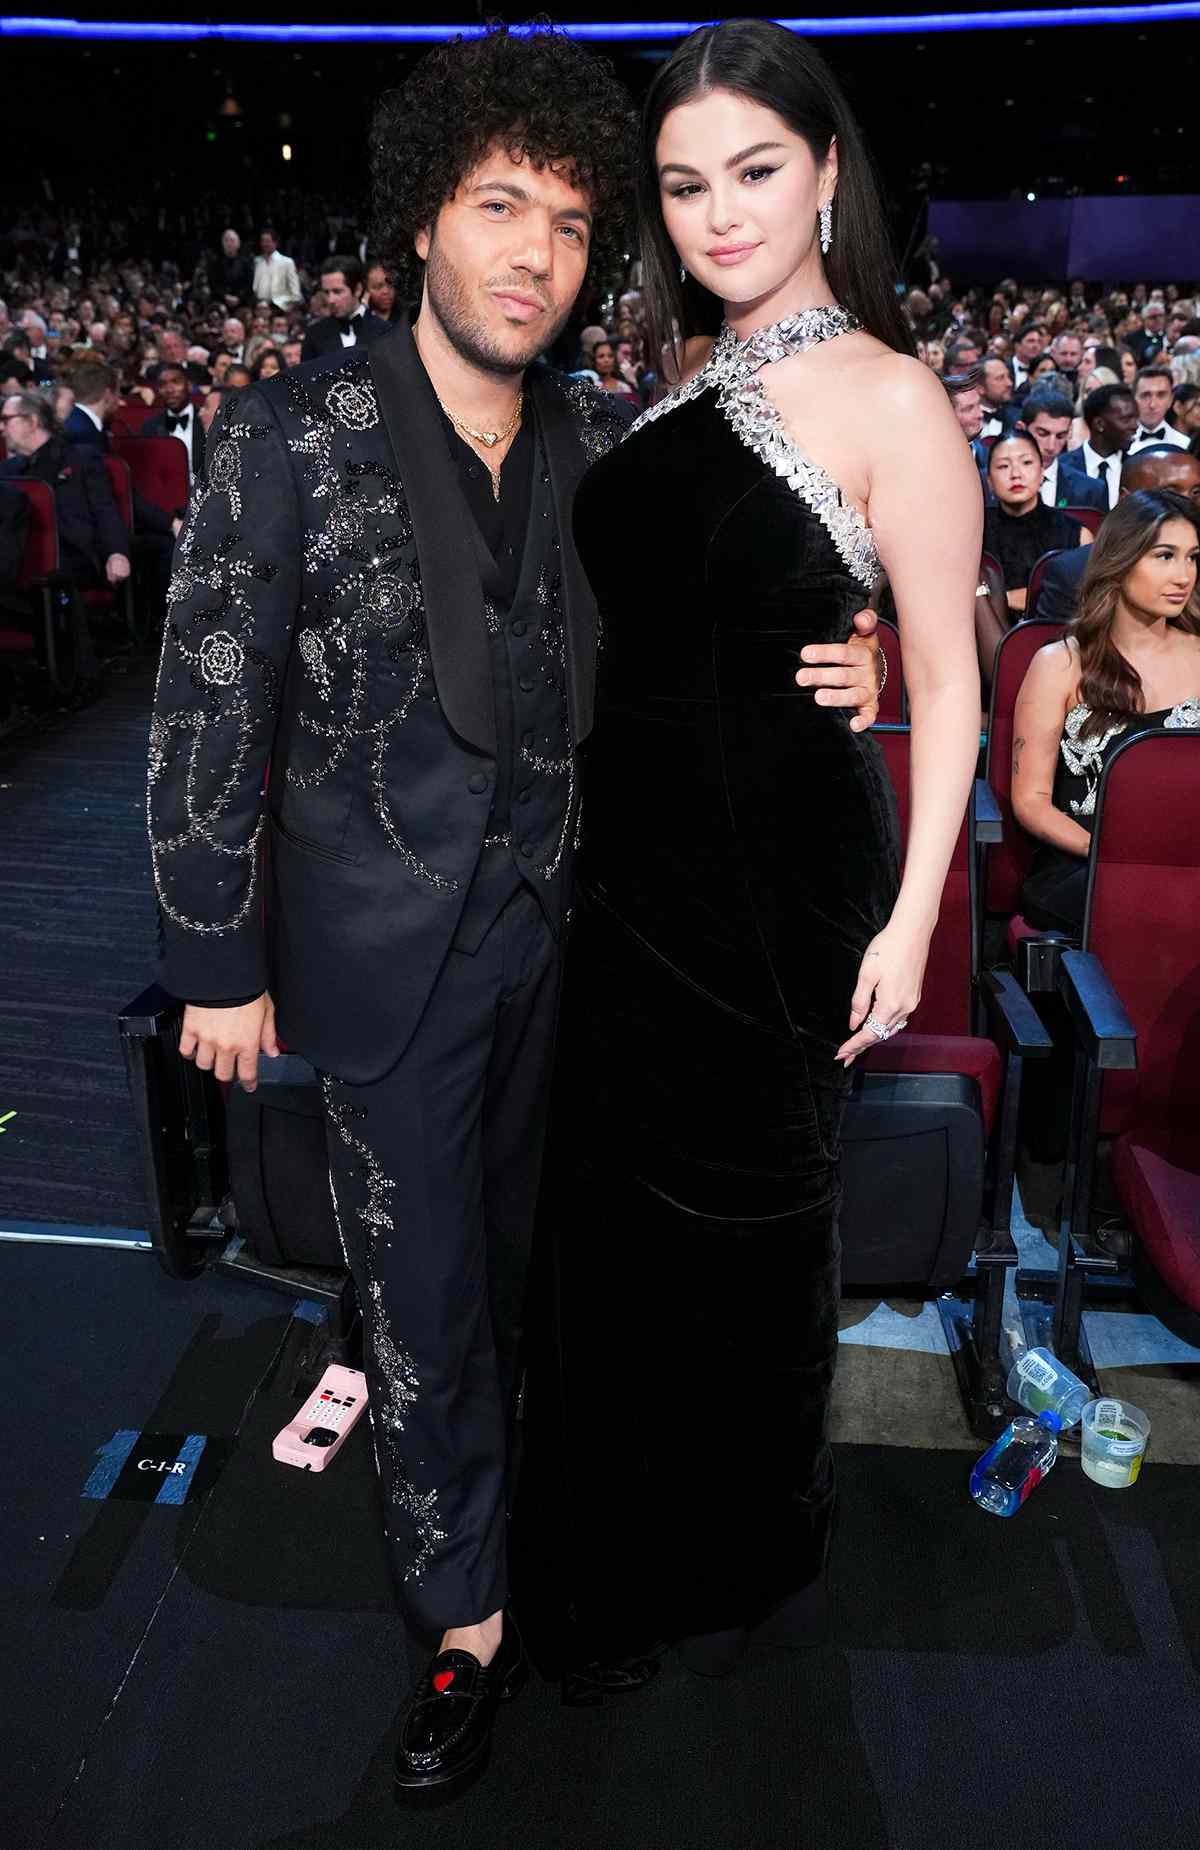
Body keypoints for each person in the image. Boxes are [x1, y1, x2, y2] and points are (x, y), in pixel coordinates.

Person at [143, 22, 890, 1803]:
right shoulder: (285, 430)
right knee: (422, 1307)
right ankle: (466, 1619)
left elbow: (687, 639)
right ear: (421, 223)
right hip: (377, 967)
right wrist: (212, 968)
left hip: (584, 942)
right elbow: (201, 713)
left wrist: (841, 655)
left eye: (568, 219)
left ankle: (565, 1549)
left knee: (555, 1284)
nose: (534, 253)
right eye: (498, 207)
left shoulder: (597, 444)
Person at [532, 16, 979, 1695]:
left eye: (756, 172)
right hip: (629, 869)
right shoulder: (670, 384)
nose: (721, 213)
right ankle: (621, 1522)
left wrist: (916, 913)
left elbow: (945, 676)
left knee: (752, 1221)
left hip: (779, 878)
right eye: (687, 185)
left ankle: (738, 1548)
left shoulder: (894, 393)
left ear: (827, 175)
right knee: (622, 1218)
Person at [1013, 488, 1200, 933]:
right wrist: (1109, 852)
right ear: (1121, 559)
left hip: (1188, 860)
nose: (1183, 575)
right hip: (1086, 862)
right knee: (1154, 909)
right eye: (1164, 556)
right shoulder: (1059, 664)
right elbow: (1030, 801)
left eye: (1193, 557)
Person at [1034, 443, 1200, 623]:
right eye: (1170, 494)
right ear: (1126, 498)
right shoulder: (1073, 574)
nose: (1189, 503)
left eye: (1197, 492)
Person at [983, 431, 1090, 614]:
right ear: (989, 481)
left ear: (1042, 472)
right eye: (1003, 466)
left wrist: (1001, 598)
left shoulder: (1076, 533)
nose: (1016, 474)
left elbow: (1089, 600)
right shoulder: (975, 531)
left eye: (1026, 463)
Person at [1017, 386, 1107, 512]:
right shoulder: (992, 482)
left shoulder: (1091, 490)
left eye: (1060, 436)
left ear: (1070, 432)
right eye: (1043, 434)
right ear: (1021, 428)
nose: (1051, 446)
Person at [299, 255, 392, 361]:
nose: (330, 300)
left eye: (337, 292)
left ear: (358, 289)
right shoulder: (314, 334)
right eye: (326, 292)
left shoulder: (385, 331)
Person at [1064, 381, 1138, 511]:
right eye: (1126, 419)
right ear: (1099, 424)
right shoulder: (1063, 467)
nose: (1135, 426)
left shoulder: (1138, 469)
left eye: (1135, 418)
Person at [143, 361, 205, 483]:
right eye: (163, 384)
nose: (169, 390)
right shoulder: (149, 427)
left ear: (189, 385)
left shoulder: (207, 422)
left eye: (176, 382)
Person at [1130, 365, 1190, 450]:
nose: (1152, 405)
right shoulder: (1119, 444)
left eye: (1161, 395)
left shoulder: (1185, 444)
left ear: (1170, 400)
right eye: (1145, 395)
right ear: (1133, 399)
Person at [252, 226, 304, 310]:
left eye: (268, 241)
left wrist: (291, 306)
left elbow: (295, 290)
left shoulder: (287, 262)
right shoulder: (257, 262)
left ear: (275, 243)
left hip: (281, 307)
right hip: (261, 307)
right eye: (263, 241)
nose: (265, 244)